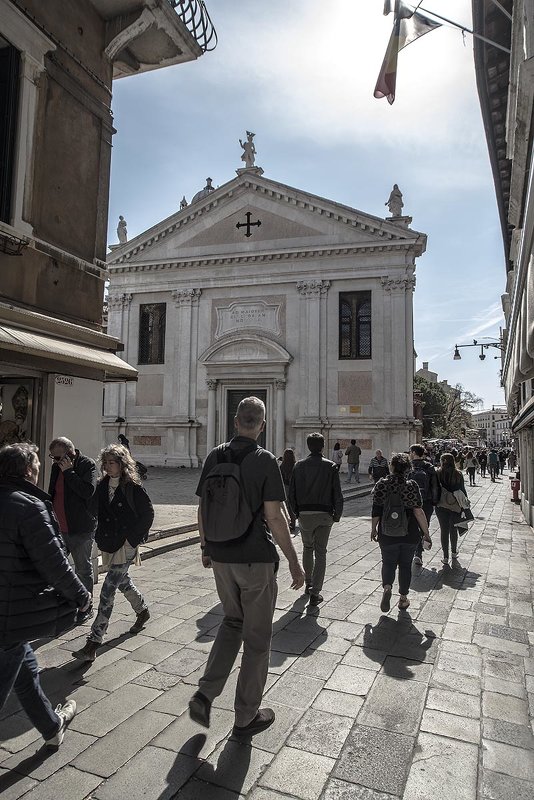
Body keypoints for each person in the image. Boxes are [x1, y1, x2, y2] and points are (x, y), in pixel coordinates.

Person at [189, 397, 305, 739]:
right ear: (262, 425)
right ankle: (245, 716)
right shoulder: (265, 460)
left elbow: (202, 509)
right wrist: (294, 561)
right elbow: (275, 516)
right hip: (254, 559)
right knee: (257, 639)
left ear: (235, 421)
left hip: (221, 557)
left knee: (231, 622)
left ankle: (206, 693)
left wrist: (206, 546)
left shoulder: (213, 455)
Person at [0, 443, 91, 748]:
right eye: (38, 465)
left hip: (12, 616)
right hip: (9, 614)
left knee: (26, 669)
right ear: (29, 471)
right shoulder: (29, 506)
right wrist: (81, 596)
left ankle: (52, 728)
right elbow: (54, 564)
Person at [73, 445, 154, 663]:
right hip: (109, 542)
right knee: (123, 581)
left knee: (108, 590)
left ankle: (93, 641)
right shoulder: (102, 485)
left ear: (122, 464)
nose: (108, 466)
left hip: (126, 544)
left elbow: (148, 514)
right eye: (106, 462)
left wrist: (132, 540)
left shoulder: (133, 487)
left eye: (112, 462)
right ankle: (142, 610)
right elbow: (92, 508)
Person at [371, 453, 431, 611]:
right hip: (410, 534)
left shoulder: (381, 484)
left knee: (388, 562)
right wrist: (426, 534)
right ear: (408, 469)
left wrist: (373, 529)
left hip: (387, 532)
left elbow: (376, 509)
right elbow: (418, 512)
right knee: (405, 565)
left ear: (391, 466)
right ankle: (403, 598)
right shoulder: (411, 485)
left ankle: (387, 588)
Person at [289, 433, 344, 605]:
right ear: (322, 446)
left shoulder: (298, 466)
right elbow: (338, 494)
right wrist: (337, 514)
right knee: (321, 552)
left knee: (307, 548)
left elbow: (291, 494)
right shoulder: (331, 466)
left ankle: (308, 583)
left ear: (308, 446)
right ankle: (316, 592)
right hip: (325, 514)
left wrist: (296, 513)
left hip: (305, 514)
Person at [48, 437, 97, 623]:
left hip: (80, 528)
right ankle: (64, 604)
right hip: (59, 528)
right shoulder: (55, 467)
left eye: (58, 458)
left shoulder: (87, 465)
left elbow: (87, 491)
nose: (55, 461)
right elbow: (52, 493)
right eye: (53, 458)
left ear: (70, 454)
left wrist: (69, 472)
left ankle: (87, 606)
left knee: (83, 569)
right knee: (57, 569)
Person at [408, 444, 440, 568]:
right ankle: (418, 553)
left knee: (412, 526)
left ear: (414, 453)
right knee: (423, 525)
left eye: (411, 452)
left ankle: (413, 552)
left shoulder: (409, 467)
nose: (410, 454)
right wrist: (435, 501)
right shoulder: (429, 467)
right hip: (426, 502)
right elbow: (435, 485)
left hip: (411, 502)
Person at [435, 453, 468, 566]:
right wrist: (465, 506)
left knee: (444, 530)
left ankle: (445, 556)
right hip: (455, 505)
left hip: (441, 505)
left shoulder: (438, 473)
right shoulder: (458, 474)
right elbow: (463, 490)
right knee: (453, 529)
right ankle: (454, 552)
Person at [279, 448, 297, 531]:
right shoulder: (295, 466)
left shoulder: (282, 466)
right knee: (292, 506)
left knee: (285, 506)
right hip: (293, 487)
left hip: (284, 488)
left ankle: (286, 523)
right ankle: (293, 524)